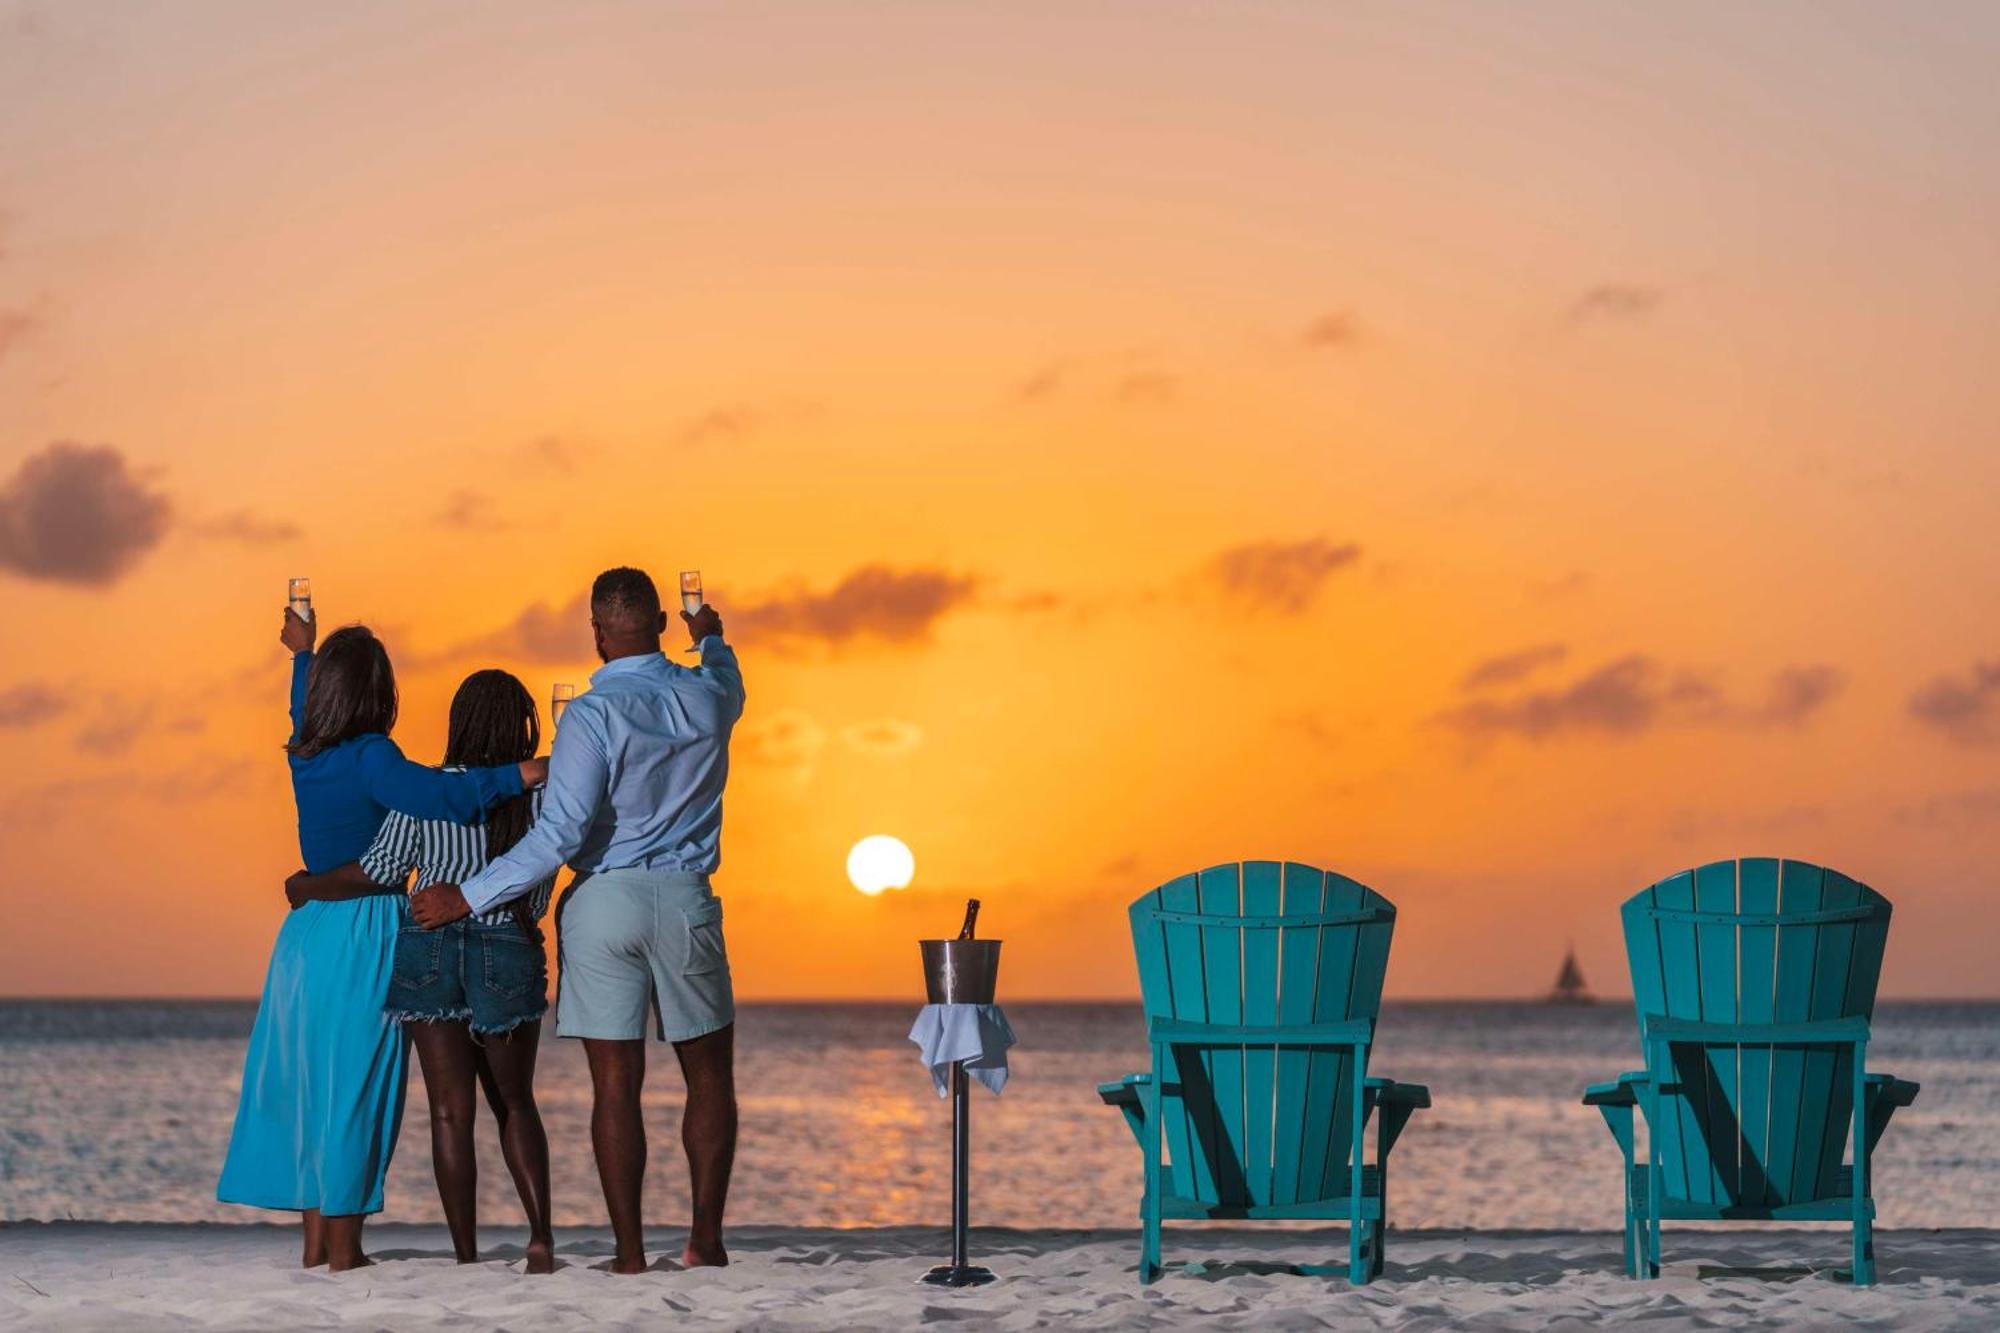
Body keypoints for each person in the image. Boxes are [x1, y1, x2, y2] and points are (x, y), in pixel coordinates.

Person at [410, 567, 746, 1274]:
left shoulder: (591, 716)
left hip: (604, 899)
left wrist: (468, 895)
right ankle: (704, 1240)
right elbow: (728, 677)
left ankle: (629, 1254)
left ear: (597, 633)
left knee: (616, 1084)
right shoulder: (709, 698)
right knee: (709, 1077)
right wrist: (710, 638)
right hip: (685, 894)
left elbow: (558, 834)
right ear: (658, 622)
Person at [218, 611, 545, 1272]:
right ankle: (344, 1251)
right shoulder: (374, 757)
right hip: (363, 927)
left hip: (305, 933)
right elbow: (439, 796)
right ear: (381, 694)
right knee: (354, 1088)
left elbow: (298, 712)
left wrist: (303, 656)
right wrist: (522, 775)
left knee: (313, 1086)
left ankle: (316, 1243)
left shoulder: (305, 755)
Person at [284, 669, 559, 1274]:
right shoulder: (540, 796)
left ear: (457, 723)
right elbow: (539, 891)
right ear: (523, 726)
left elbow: (381, 868)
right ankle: (540, 1238)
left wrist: (305, 886)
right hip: (507, 944)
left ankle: (466, 1254)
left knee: (449, 1112)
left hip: (428, 945)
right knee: (515, 1102)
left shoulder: (423, 794)